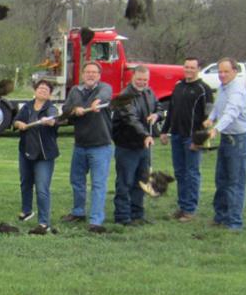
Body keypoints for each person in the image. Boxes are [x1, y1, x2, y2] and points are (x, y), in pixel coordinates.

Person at [61, 61, 114, 234]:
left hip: (100, 146)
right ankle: (78, 213)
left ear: (99, 75)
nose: (90, 75)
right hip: (80, 146)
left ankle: (96, 221)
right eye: (87, 72)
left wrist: (96, 102)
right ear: (83, 74)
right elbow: (65, 108)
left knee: (98, 184)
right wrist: (75, 109)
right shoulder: (75, 91)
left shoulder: (103, 89)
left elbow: (106, 94)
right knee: (77, 181)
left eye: (94, 72)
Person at [160, 56, 213, 222]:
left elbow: (209, 116)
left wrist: (199, 139)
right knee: (180, 173)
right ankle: (182, 207)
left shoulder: (204, 89)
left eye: (192, 67)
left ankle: (190, 210)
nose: (189, 70)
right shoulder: (178, 86)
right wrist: (164, 131)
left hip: (192, 137)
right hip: (176, 135)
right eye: (186, 67)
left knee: (192, 173)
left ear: (198, 69)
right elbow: (172, 111)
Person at [206, 58, 246, 231]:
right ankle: (220, 217)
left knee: (235, 182)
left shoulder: (238, 92)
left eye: (226, 71)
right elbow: (219, 108)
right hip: (227, 138)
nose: (222, 75)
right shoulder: (223, 88)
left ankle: (234, 223)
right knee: (221, 179)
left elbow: (230, 113)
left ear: (235, 71)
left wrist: (216, 129)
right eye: (220, 71)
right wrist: (210, 118)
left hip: (240, 140)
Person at [111, 65, 159, 226]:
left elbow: (158, 106)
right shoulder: (124, 97)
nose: (142, 82)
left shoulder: (149, 92)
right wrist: (145, 135)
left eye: (145, 80)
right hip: (127, 146)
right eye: (139, 79)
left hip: (143, 147)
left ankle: (137, 214)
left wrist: (156, 115)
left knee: (142, 180)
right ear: (133, 77)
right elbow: (131, 119)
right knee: (125, 182)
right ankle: (122, 216)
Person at [12, 78, 60, 234]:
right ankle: (27, 211)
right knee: (25, 182)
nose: (42, 90)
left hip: (44, 156)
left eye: (46, 89)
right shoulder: (27, 107)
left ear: (50, 94)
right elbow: (16, 121)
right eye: (40, 88)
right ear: (35, 91)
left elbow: (53, 120)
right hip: (25, 152)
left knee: (42, 188)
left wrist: (48, 121)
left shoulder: (50, 109)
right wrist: (19, 124)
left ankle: (43, 222)